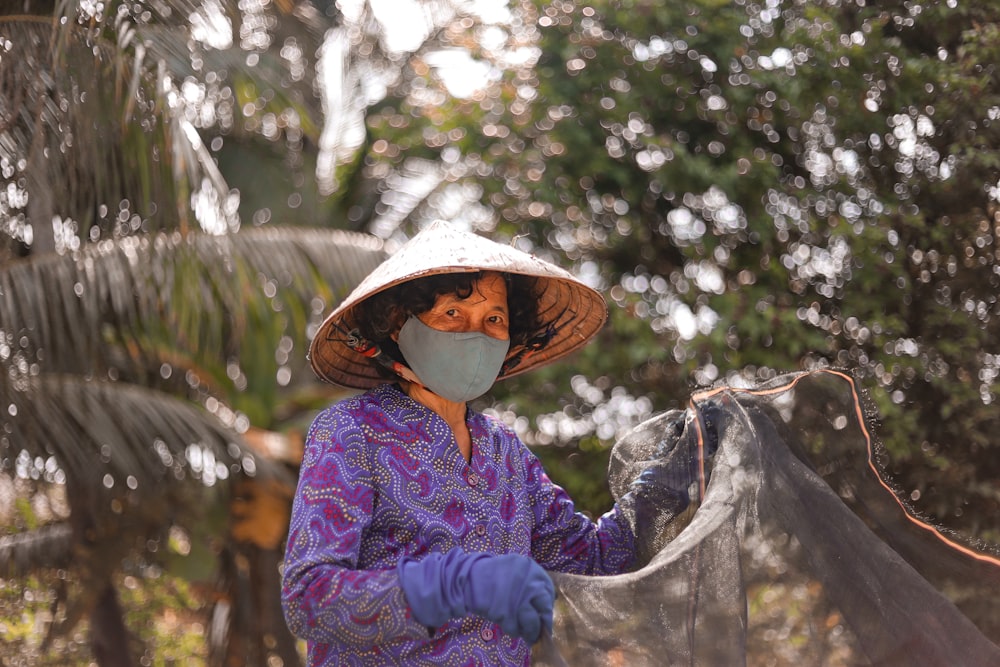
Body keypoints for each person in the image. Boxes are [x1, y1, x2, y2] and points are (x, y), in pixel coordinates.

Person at [281, 221, 689, 666]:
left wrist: (669, 479)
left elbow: (595, 559)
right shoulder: (351, 431)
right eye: (452, 314)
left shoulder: (506, 453)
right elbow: (310, 598)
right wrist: (457, 584)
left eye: (494, 319)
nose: (475, 334)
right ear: (399, 326)